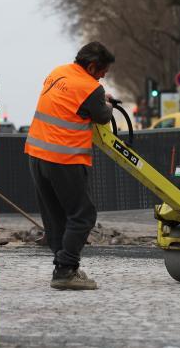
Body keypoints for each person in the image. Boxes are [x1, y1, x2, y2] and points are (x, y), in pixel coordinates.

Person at [26, 41, 115, 290]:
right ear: (92, 65)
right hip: (64, 158)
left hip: (36, 154)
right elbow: (103, 116)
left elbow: (69, 103)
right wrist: (106, 103)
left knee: (55, 215)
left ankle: (62, 266)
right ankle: (66, 269)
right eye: (102, 72)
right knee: (83, 215)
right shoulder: (90, 88)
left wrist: (98, 98)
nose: (103, 77)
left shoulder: (57, 73)